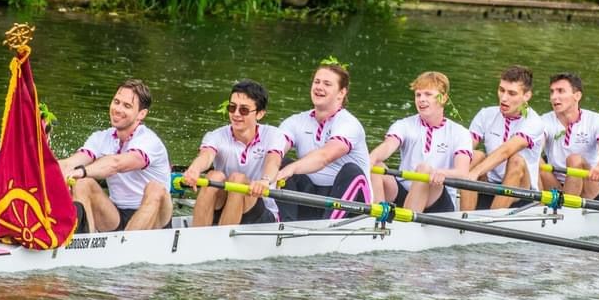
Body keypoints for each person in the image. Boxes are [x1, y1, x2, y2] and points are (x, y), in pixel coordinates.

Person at [59, 79, 172, 232]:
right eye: (116, 102)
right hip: (115, 215)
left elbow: (116, 164)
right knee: (82, 183)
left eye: (127, 106)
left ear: (141, 114)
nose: (118, 109)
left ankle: (127, 247)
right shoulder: (100, 137)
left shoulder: (149, 141)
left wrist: (81, 171)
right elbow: (68, 164)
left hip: (155, 218)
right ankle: (84, 243)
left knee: (155, 188)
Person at [276, 61, 371, 220]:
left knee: (351, 170)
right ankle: (283, 226)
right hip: (312, 198)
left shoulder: (348, 124)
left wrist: (291, 169)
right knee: (279, 161)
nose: (319, 87)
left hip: (351, 204)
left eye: (327, 84)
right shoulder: (295, 121)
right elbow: (274, 150)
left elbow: (325, 156)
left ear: (341, 93)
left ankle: (329, 228)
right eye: (317, 82)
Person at [181, 79, 284, 226]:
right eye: (232, 107)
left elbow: (273, 161)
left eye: (244, 110)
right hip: (223, 205)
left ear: (260, 114)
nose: (236, 114)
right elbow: (206, 155)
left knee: (238, 179)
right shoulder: (216, 135)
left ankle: (221, 242)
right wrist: (194, 170)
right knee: (213, 176)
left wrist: (265, 180)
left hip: (258, 212)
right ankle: (195, 237)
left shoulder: (274, 135)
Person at [369, 72, 473, 212]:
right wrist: (370, 159)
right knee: (376, 165)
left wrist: (439, 173)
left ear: (443, 98)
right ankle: (377, 219)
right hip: (406, 191)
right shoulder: (404, 125)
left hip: (437, 197)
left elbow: (462, 172)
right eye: (418, 95)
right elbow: (388, 146)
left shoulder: (460, 133)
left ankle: (406, 226)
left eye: (428, 94)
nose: (421, 99)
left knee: (423, 170)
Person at [459, 65, 545, 211]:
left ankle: (492, 220)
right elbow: (465, 148)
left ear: (526, 96)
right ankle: (463, 220)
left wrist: (474, 172)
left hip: (521, 191)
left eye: (512, 93)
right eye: (501, 90)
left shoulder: (533, 122)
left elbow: (506, 151)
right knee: (474, 155)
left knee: (516, 159)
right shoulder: (486, 115)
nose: (504, 98)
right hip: (490, 183)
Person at [539, 73, 599, 200]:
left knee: (574, 160)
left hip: (590, 187)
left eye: (560, 91)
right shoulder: (544, 121)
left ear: (577, 96)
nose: (554, 97)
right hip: (556, 186)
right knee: (533, 157)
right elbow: (537, 147)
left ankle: (564, 211)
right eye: (552, 92)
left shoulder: (596, 120)